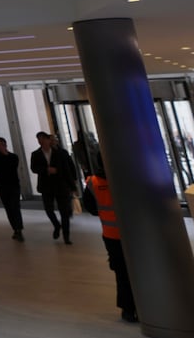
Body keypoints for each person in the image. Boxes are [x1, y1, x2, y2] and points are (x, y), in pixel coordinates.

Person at [83, 166, 137, 323]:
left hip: (111, 235)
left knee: (121, 273)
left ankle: (127, 309)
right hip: (134, 234)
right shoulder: (128, 177)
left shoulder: (94, 182)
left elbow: (91, 207)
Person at [29, 131, 78, 244]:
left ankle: (66, 236)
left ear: (48, 140)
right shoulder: (35, 154)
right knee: (48, 209)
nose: (40, 142)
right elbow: (34, 168)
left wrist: (72, 186)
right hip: (46, 186)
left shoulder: (60, 153)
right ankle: (57, 225)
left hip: (61, 185)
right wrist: (46, 170)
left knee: (64, 212)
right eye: (38, 140)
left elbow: (67, 169)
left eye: (42, 139)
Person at [0, 137, 25, 241]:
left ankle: (19, 230)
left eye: (1, 144)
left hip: (14, 185)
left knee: (15, 207)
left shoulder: (13, 157)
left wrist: (4, 155)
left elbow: (12, 168)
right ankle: (15, 229)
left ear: (5, 145)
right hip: (2, 186)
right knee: (8, 208)